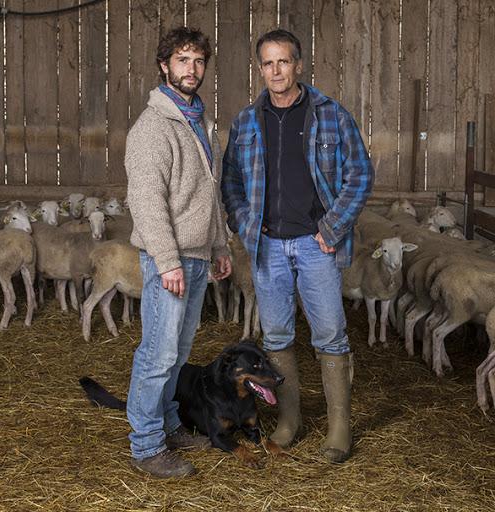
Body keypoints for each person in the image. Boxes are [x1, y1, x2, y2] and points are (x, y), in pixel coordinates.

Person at [221, 29, 373, 463]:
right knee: (277, 335)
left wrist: (333, 228)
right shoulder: (248, 121)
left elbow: (360, 174)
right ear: (260, 68)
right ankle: (290, 421)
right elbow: (231, 181)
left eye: (283, 62)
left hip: (315, 245)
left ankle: (339, 429)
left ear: (299, 65)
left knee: (329, 335)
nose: (276, 71)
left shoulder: (330, 114)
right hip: (267, 246)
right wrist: (244, 223)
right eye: (268, 63)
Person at [125, 26, 232, 478]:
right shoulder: (153, 128)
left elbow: (211, 194)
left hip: (197, 253)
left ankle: (168, 424)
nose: (192, 69)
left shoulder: (199, 122)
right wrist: (167, 262)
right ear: (164, 66)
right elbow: (147, 201)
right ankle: (147, 446)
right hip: (168, 259)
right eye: (182, 60)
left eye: (198, 61)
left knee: (179, 350)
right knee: (157, 352)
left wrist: (220, 243)